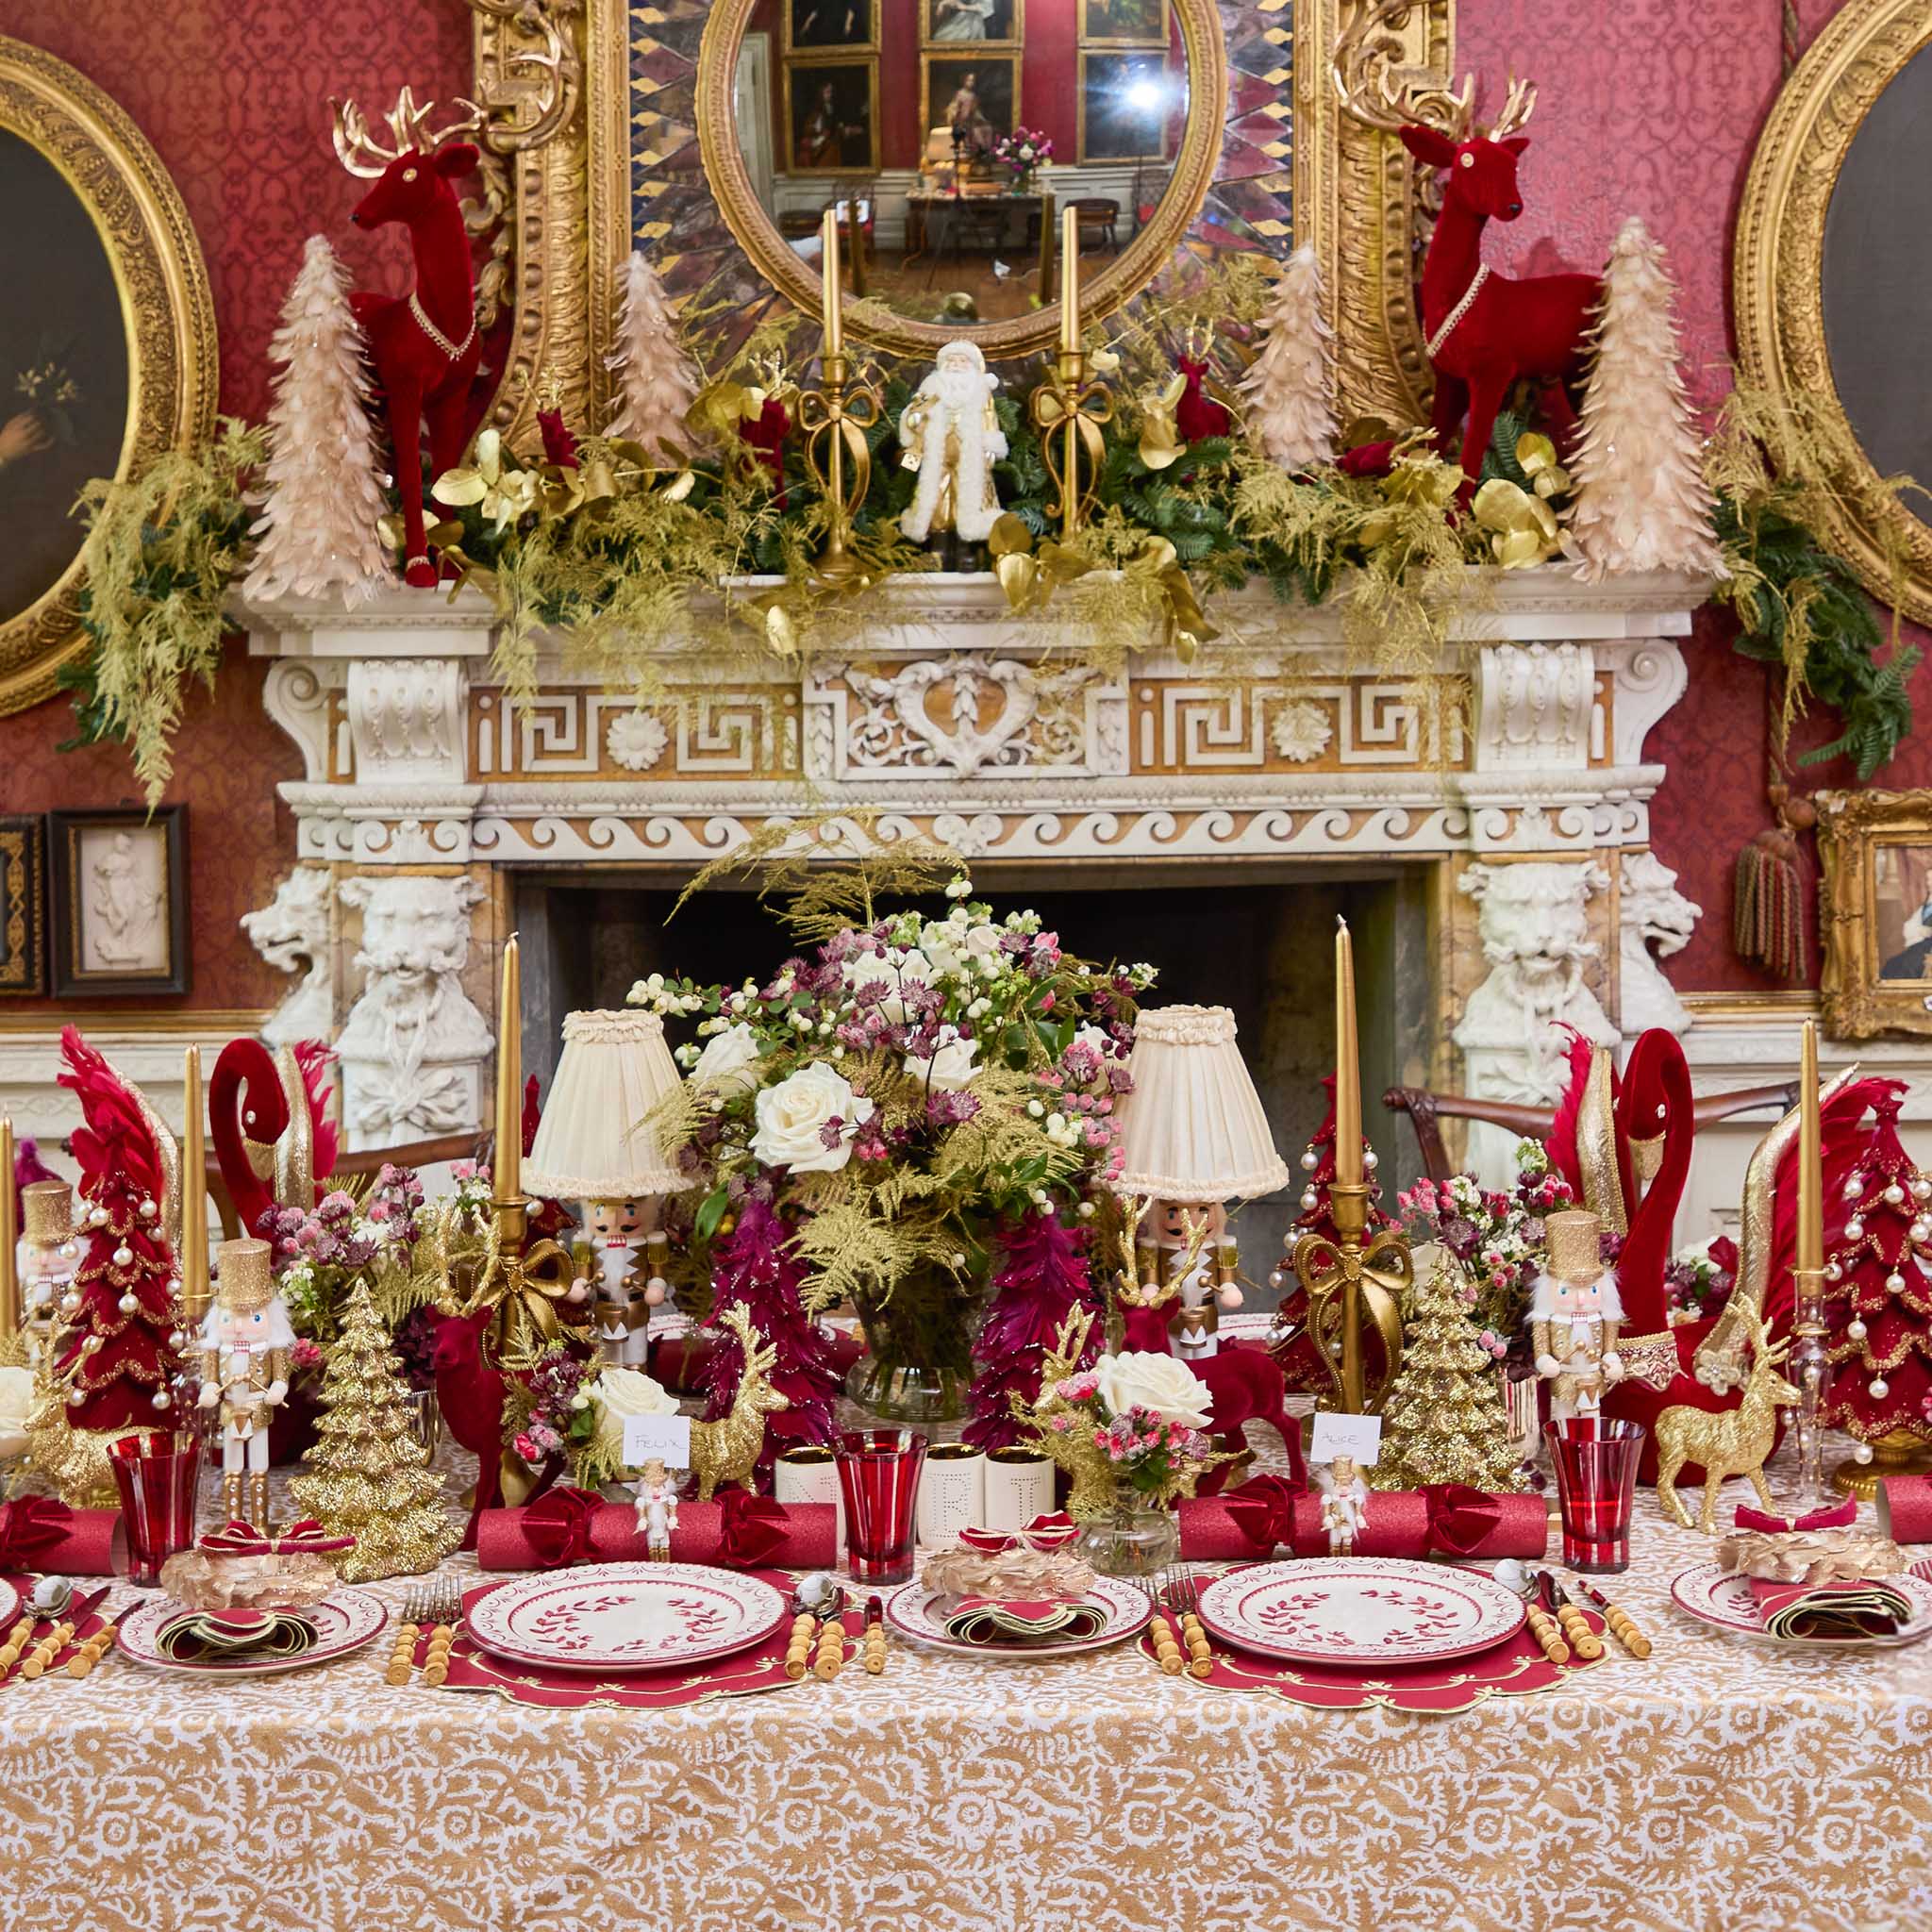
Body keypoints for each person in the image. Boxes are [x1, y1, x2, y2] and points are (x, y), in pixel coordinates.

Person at [897, 338, 1008, 543]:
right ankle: (939, 539)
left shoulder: (980, 391)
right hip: (938, 453)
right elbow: (916, 412)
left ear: (973, 366)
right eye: (952, 361)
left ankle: (969, 546)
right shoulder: (932, 388)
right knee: (935, 495)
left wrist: (991, 446)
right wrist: (913, 418)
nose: (956, 365)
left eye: (962, 361)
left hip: (971, 453)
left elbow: (989, 419)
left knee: (972, 495)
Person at [932, 0, 997, 42]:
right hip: (964, 16)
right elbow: (955, 1)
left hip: (976, 20)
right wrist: (942, 3)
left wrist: (963, 7)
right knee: (939, 37)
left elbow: (986, 7)